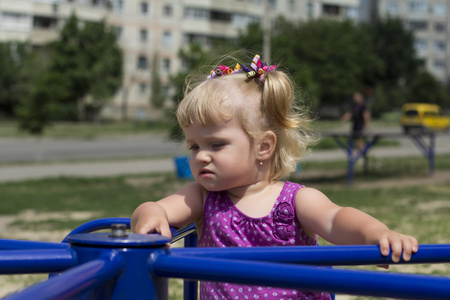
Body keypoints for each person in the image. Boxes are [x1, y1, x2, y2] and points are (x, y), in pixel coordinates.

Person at [131, 54, 418, 300]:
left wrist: (376, 234)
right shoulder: (203, 197)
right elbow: (156, 208)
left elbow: (336, 219)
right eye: (194, 146)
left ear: (263, 146)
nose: (201, 156)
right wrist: (148, 215)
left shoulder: (295, 200)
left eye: (216, 144)